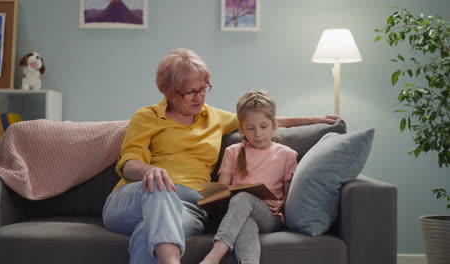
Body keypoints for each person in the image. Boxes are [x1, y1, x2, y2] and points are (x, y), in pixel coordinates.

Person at [102, 48, 338, 264]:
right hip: (138, 196)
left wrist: (316, 120)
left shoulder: (214, 117)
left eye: (204, 88)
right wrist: (149, 170)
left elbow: (261, 121)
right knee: (162, 189)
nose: (199, 97)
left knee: (147, 231)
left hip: (190, 206)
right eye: (190, 92)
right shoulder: (146, 117)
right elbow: (128, 162)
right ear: (168, 92)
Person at [200, 90, 297, 264]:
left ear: (274, 124)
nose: (258, 134)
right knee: (246, 218)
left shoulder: (286, 154)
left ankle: (213, 257)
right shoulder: (233, 152)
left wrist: (281, 204)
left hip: (270, 217)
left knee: (244, 198)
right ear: (242, 128)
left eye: (264, 127)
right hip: (237, 213)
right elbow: (222, 189)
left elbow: (289, 194)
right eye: (251, 129)